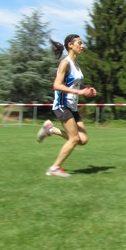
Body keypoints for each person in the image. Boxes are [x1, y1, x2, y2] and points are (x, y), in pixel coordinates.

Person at [36, 34, 96, 177]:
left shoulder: (76, 65)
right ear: (70, 45)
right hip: (62, 105)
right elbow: (56, 85)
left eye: (82, 43)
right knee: (74, 139)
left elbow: (73, 84)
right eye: (79, 43)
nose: (82, 46)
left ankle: (50, 129)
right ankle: (55, 168)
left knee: (83, 140)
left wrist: (87, 90)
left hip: (72, 107)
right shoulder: (66, 63)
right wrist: (79, 91)